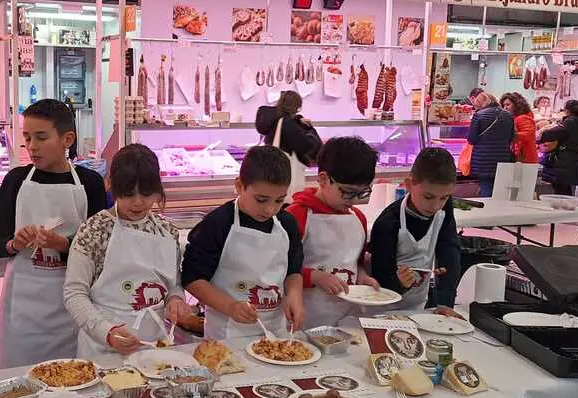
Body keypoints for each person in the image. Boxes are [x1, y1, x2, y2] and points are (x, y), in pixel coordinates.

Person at [0, 99, 107, 369]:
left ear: (67, 139)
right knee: (18, 375)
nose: (32, 146)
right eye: (27, 138)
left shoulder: (90, 183)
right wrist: (13, 243)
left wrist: (64, 244)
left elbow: (103, 248)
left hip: (71, 300)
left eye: (41, 137)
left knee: (70, 375)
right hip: (23, 304)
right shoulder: (16, 180)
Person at [65, 144, 192, 358]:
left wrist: (176, 300)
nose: (138, 202)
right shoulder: (94, 231)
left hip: (155, 346)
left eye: (146, 193)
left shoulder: (167, 231)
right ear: (110, 185)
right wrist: (107, 332)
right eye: (128, 194)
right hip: (103, 347)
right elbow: (74, 294)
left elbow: (173, 285)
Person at [183, 145, 304, 342]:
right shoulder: (218, 224)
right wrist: (229, 306)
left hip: (276, 333)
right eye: (261, 200)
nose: (270, 209)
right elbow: (192, 278)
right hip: (227, 334)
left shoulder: (287, 224)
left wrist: (294, 295)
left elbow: (293, 269)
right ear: (239, 186)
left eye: (279, 200)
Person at [286, 137, 380, 330]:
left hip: (347, 316)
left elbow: (356, 263)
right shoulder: (298, 215)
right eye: (348, 192)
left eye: (362, 193)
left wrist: (363, 277)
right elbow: (279, 268)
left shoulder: (358, 218)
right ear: (323, 179)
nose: (354, 200)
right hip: (306, 316)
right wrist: (314, 276)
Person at [368, 148, 461, 312]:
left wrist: (445, 303)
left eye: (444, 198)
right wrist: (398, 282)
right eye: (428, 197)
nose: (436, 206)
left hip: (418, 306)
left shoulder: (444, 211)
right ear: (409, 185)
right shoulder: (388, 223)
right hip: (381, 308)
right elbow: (379, 275)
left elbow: (449, 255)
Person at [255, 91, 321, 166]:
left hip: (271, 163)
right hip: (285, 166)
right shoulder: (287, 123)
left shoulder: (273, 119)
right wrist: (309, 129)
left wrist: (298, 120)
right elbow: (306, 146)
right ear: (295, 106)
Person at [539, 99, 578, 195]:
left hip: (562, 161)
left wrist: (540, 133)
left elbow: (551, 134)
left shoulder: (570, 123)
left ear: (567, 110)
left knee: (560, 192)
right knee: (566, 192)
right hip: (574, 161)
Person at [467, 92, 514, 197]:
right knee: (499, 189)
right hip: (503, 158)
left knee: (486, 187)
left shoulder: (478, 115)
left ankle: (487, 211)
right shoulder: (508, 115)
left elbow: (471, 139)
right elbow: (511, 137)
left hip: (483, 159)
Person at [499, 92, 538, 164]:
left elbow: (528, 134)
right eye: (503, 105)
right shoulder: (515, 118)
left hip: (525, 158)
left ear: (517, 105)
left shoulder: (522, 118)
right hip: (521, 157)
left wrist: (510, 135)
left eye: (508, 104)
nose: (505, 108)